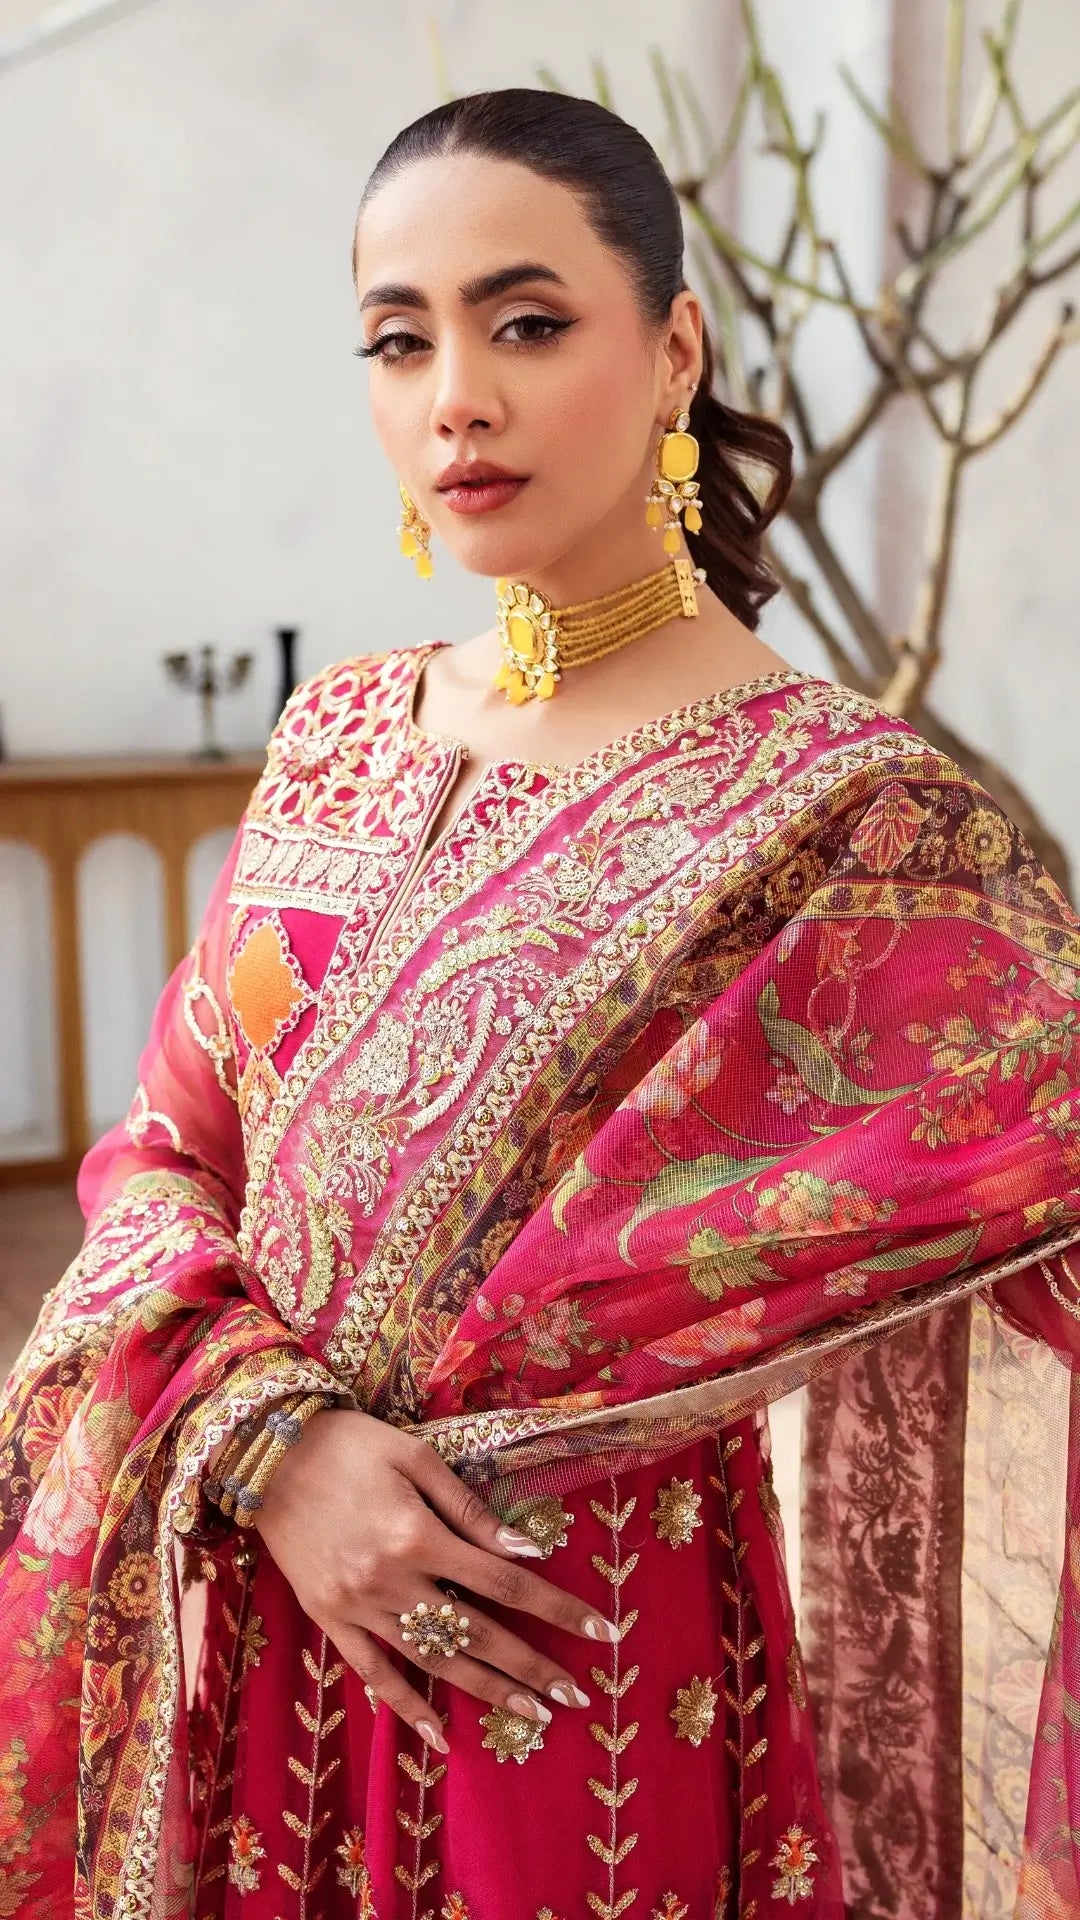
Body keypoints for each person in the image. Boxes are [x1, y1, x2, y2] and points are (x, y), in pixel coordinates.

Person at [3, 85, 1080, 1920]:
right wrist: (276, 1446)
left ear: (671, 352)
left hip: (583, 1666)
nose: (456, 399)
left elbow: (1026, 1168)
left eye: (524, 322)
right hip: (265, 1609)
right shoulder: (335, 736)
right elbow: (170, 1151)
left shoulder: (848, 817)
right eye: (396, 338)